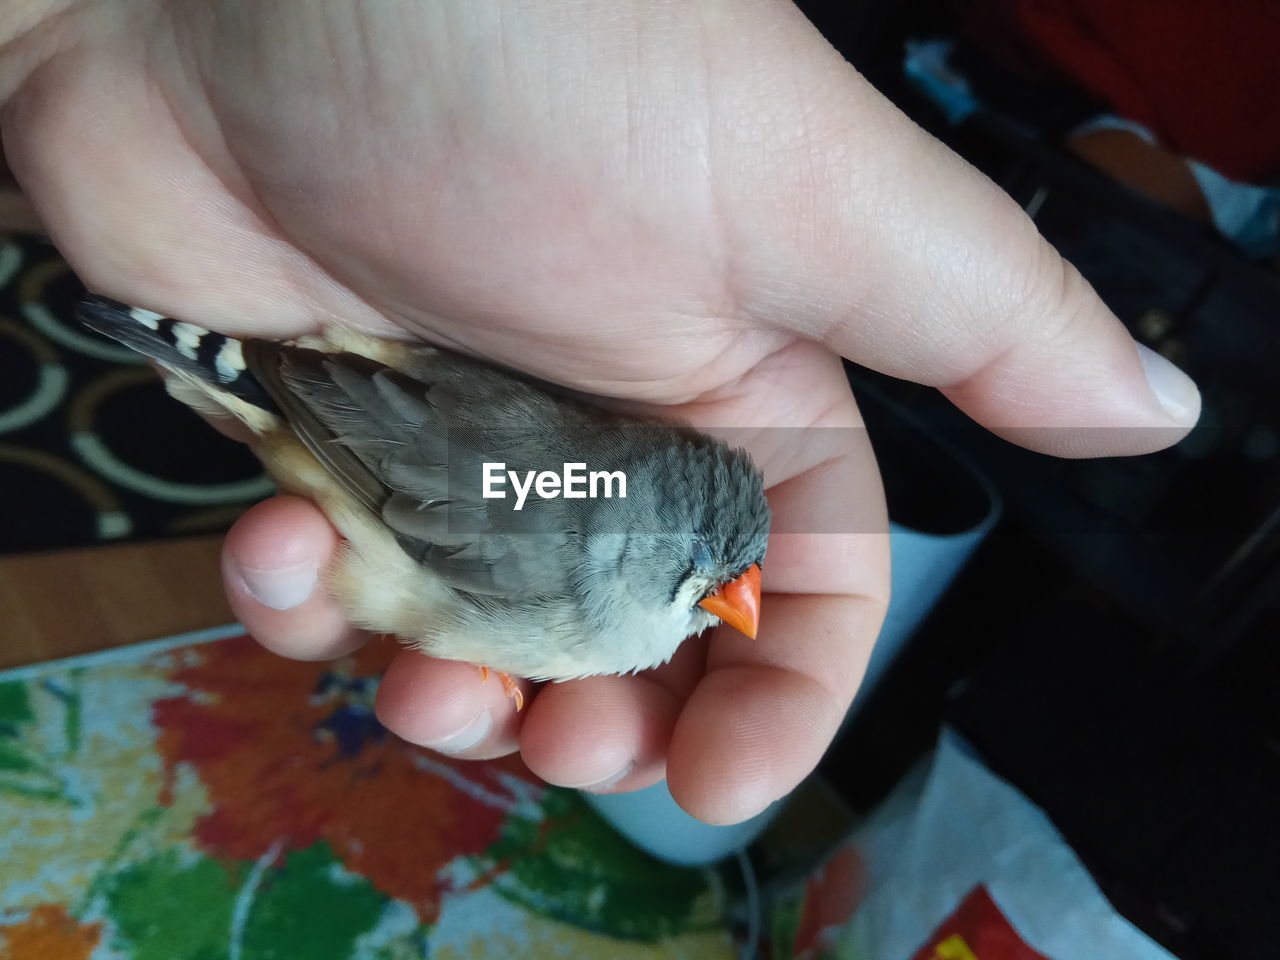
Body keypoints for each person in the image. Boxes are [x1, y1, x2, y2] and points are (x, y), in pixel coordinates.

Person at [0, 1, 1199, 826]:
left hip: (350, 382)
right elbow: (451, 481)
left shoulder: (599, 480)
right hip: (333, 412)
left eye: (723, 579)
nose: (732, 604)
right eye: (715, 576)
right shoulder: (553, 570)